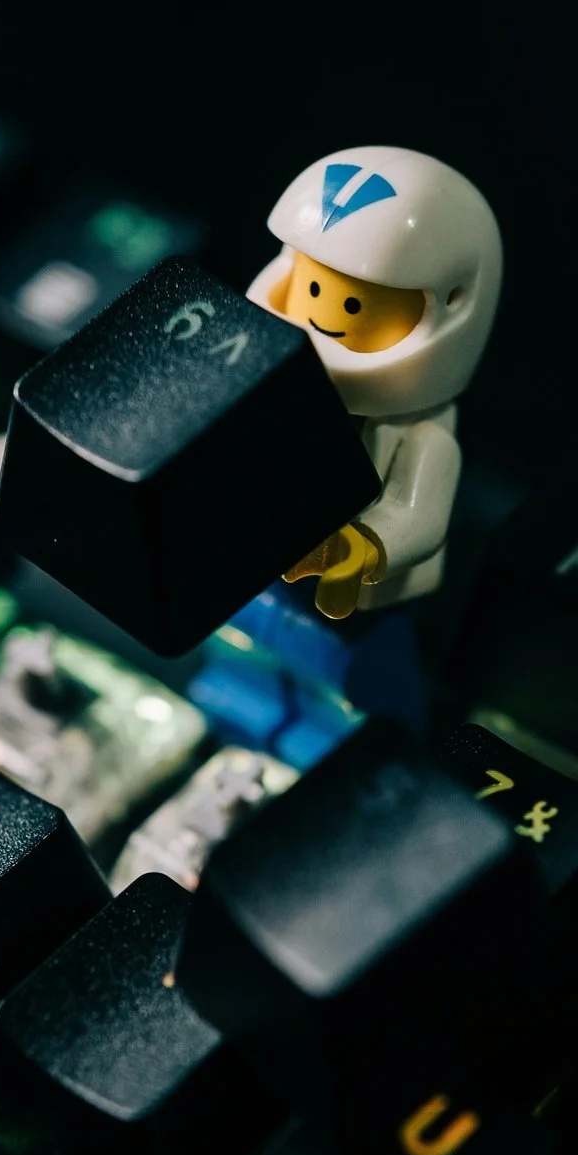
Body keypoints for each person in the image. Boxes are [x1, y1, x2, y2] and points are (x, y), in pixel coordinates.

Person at [190, 147, 504, 764]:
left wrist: (364, 545)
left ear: (451, 304)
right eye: (312, 288)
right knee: (242, 654)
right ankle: (242, 719)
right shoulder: (267, 391)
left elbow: (419, 511)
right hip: (259, 579)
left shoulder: (421, 433)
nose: (324, 316)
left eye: (354, 306)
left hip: (354, 602)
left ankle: (358, 760)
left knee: (354, 690)